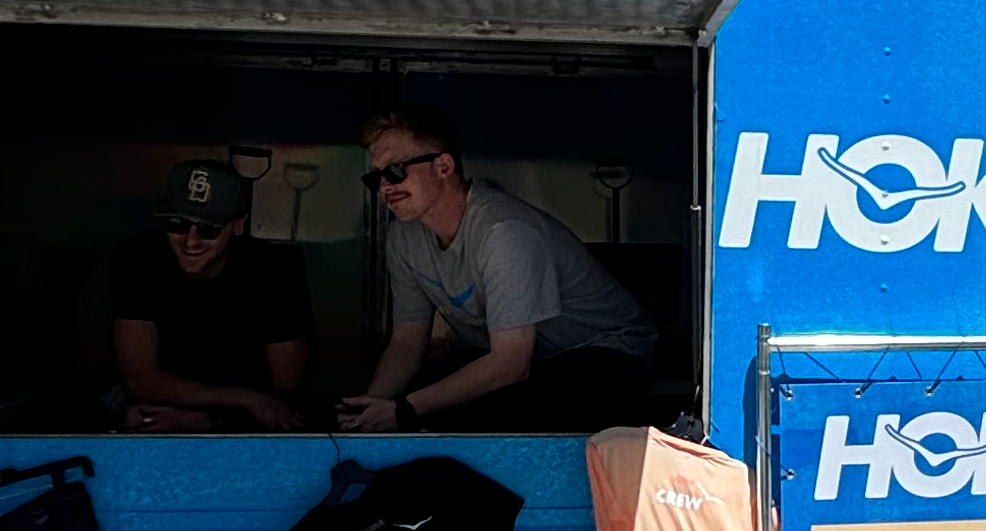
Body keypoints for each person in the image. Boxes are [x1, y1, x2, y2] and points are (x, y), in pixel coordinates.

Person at [337, 115, 657, 435]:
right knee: (433, 399)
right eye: (374, 178)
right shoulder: (403, 238)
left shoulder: (504, 232)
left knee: (480, 417)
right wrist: (368, 409)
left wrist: (403, 411)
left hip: (611, 353)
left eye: (395, 171)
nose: (384, 187)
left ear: (443, 166)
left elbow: (510, 364)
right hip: (535, 363)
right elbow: (407, 343)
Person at [110, 158, 313, 430]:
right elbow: (139, 381)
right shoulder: (138, 258)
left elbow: (286, 396)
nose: (191, 241)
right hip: (163, 411)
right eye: (177, 224)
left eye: (208, 229)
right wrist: (248, 400)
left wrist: (208, 420)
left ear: (237, 225)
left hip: (244, 428)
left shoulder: (274, 270)